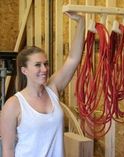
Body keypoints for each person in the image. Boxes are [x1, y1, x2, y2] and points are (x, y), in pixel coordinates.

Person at [1, 12, 85, 157]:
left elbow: (73, 59)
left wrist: (81, 22)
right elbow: (8, 149)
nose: (44, 69)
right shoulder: (13, 105)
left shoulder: (52, 89)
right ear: (24, 70)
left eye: (46, 64)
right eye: (38, 65)